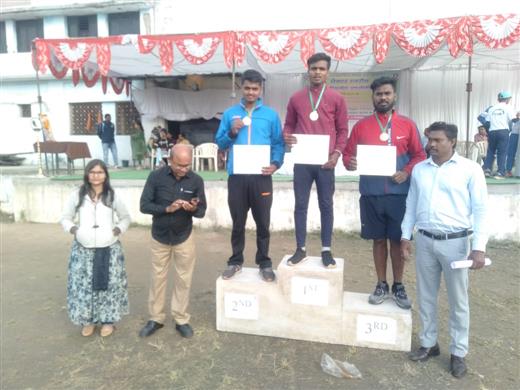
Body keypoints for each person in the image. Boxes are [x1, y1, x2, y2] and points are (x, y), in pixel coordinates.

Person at [401, 121, 488, 379]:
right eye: (430, 140)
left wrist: (479, 248)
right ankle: (429, 344)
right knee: (426, 295)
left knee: (458, 300)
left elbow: (481, 210)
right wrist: (406, 235)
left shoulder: (470, 170)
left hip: (457, 243)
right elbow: (411, 204)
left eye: (438, 140)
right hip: (425, 241)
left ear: (452, 141)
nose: (432, 145)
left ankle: (458, 352)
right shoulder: (419, 170)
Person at [343, 76, 426, 309]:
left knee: (398, 242)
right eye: (379, 94)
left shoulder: (407, 125)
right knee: (378, 240)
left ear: (394, 96)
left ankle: (398, 285)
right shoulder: (361, 126)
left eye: (387, 93)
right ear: (373, 96)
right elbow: (348, 155)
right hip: (371, 193)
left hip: (399, 194)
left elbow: (420, 155)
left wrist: (406, 172)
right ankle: (381, 283)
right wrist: (350, 163)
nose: (383, 97)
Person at [215, 69, 285, 282]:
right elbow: (220, 143)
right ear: (241, 88)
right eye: (247, 88)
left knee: (263, 222)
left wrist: (275, 164)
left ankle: (264, 262)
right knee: (238, 222)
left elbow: (278, 143)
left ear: (261, 89)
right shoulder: (229, 114)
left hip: (261, 176)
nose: (251, 92)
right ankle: (235, 261)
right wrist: (232, 132)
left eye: (255, 88)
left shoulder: (271, 115)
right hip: (237, 177)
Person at [283, 52, 348, 268]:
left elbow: (342, 130)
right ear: (308, 70)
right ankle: (300, 249)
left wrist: (336, 154)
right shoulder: (296, 98)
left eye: (321, 68)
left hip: (325, 163)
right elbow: (289, 125)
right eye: (314, 68)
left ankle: (326, 250)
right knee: (300, 204)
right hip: (302, 161)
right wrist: (287, 136)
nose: (317, 72)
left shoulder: (337, 98)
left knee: (326, 205)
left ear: (327, 71)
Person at [139, 144, 206, 338]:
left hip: (184, 236)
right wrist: (166, 209)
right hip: (159, 235)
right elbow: (144, 205)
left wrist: (192, 208)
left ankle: (181, 319)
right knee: (157, 278)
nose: (184, 169)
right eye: (179, 165)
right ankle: (156, 318)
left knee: (183, 279)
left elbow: (201, 211)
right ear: (170, 160)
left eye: (187, 165)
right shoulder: (155, 177)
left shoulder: (196, 181)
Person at [61, 159, 130, 337]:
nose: (96, 176)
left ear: (105, 175)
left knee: (109, 285)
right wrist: (75, 230)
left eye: (99, 172)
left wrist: (118, 229)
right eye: (92, 172)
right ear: (87, 174)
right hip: (83, 249)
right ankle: (88, 321)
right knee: (84, 285)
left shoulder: (112, 195)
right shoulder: (77, 194)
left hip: (109, 247)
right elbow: (66, 218)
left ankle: (108, 321)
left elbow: (125, 218)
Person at [481, 91, 515, 178]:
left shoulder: (492, 109)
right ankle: (500, 172)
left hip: (492, 131)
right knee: (502, 152)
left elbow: (487, 122)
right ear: (507, 100)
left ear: (498, 99)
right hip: (503, 131)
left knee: (490, 151)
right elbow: (513, 119)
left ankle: (487, 170)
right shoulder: (508, 108)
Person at [505, 111, 520, 177]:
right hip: (514, 135)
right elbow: (509, 128)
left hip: (515, 135)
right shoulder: (514, 121)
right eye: (518, 114)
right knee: (511, 153)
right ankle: (508, 171)